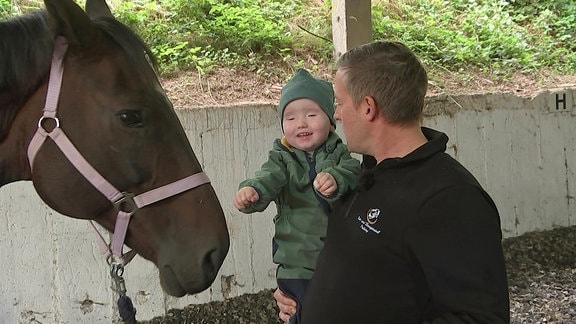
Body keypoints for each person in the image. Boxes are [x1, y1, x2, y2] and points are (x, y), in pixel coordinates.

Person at [274, 41, 510, 323]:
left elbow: (481, 318)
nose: (336, 113)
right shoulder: (367, 174)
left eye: (339, 102)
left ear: (368, 108)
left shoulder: (451, 198)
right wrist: (304, 298)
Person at [234, 68, 361, 324]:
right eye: (290, 118)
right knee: (302, 315)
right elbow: (268, 177)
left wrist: (335, 179)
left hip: (339, 262)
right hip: (297, 264)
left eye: (311, 114)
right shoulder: (282, 158)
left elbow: (354, 173)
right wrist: (253, 191)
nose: (301, 123)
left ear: (331, 120)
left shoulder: (340, 155)